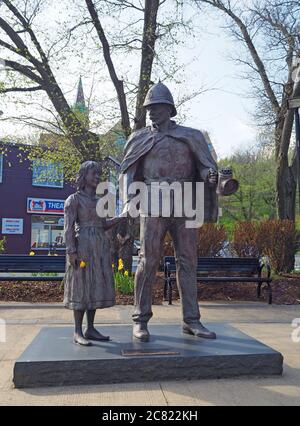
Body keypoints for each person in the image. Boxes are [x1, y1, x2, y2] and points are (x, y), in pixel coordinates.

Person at [120, 82, 218, 342]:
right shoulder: (139, 138)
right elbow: (128, 173)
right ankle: (140, 320)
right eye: (149, 108)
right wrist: (129, 198)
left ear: (170, 108)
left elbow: (206, 167)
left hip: (185, 203)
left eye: (157, 107)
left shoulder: (192, 136)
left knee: (188, 261)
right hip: (153, 202)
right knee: (147, 261)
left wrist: (211, 177)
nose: (152, 112)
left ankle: (191, 320)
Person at [64, 161, 124, 346]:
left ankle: (90, 328)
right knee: (81, 287)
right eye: (94, 174)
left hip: (99, 246)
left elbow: (104, 224)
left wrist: (122, 217)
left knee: (95, 284)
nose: (97, 177)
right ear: (84, 176)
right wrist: (71, 251)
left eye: (99, 174)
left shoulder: (99, 202)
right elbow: (67, 229)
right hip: (82, 245)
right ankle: (77, 331)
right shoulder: (73, 200)